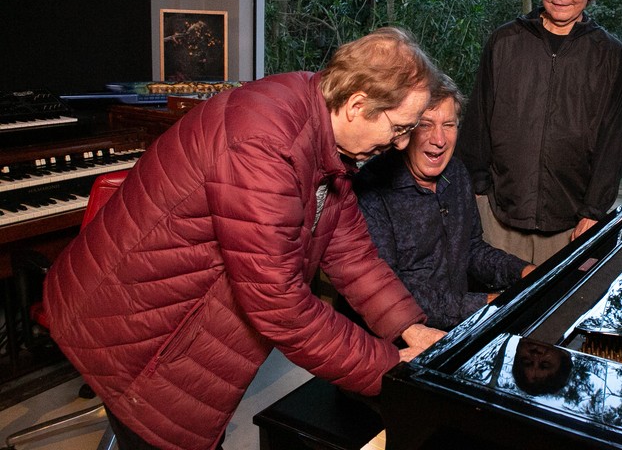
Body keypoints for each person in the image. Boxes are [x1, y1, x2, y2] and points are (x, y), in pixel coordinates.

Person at [42, 27, 447, 450]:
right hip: (133, 331)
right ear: (357, 104)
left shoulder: (319, 118)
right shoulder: (265, 145)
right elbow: (281, 304)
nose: (401, 143)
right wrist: (385, 365)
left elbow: (350, 251)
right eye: (400, 128)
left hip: (165, 320)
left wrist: (409, 328)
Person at [457, 0, 622, 264]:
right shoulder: (505, 41)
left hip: (571, 221)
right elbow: (477, 121)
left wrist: (594, 210)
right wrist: (477, 193)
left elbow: (612, 138)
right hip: (499, 214)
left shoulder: (609, 54)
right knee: (501, 308)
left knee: (560, 311)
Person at [355, 75, 535, 331]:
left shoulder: (458, 172)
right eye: (426, 125)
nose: (439, 140)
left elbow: (471, 248)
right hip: (402, 337)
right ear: (404, 129)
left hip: (459, 326)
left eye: (448, 125)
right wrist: (486, 304)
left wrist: (522, 271)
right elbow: (390, 290)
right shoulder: (372, 189)